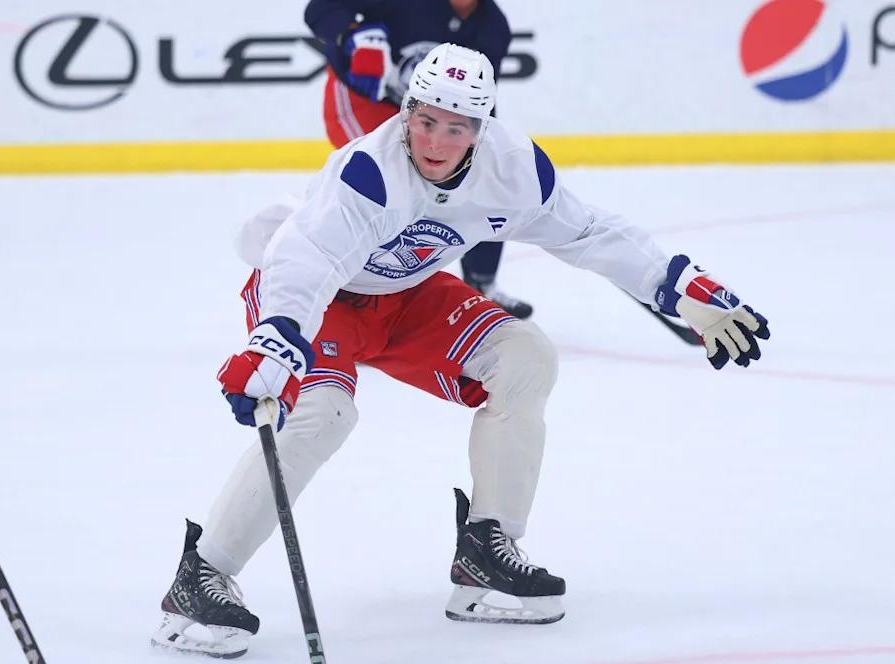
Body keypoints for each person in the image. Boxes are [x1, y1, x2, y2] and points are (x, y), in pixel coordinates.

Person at [151, 44, 770, 658]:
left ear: (481, 127)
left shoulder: (515, 167)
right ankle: (201, 576)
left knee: (525, 360)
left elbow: (588, 232)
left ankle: (485, 548)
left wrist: (678, 286)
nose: (437, 141)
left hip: (408, 293)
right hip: (321, 299)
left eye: (457, 127)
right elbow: (306, 258)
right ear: (406, 111)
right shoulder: (368, 171)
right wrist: (277, 340)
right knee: (324, 416)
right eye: (424, 121)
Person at [303, 0, 534, 319]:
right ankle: (342, 293)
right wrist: (354, 34)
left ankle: (482, 285)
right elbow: (320, 9)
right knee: (380, 181)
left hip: (426, 117)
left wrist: (481, 151)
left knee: (483, 176)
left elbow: (478, 101)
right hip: (364, 99)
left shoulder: (493, 27)